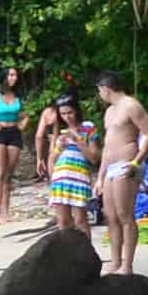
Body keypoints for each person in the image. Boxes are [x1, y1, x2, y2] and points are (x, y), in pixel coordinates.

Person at [93, 72, 148, 274]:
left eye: (99, 90)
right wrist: (100, 176)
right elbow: (107, 147)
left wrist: (136, 162)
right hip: (110, 166)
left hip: (128, 162)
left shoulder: (131, 105)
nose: (99, 94)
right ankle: (115, 261)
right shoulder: (109, 112)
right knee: (110, 215)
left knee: (125, 214)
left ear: (105, 88)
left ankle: (127, 264)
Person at [46, 94, 99, 231]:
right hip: (60, 177)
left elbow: (93, 157)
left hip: (79, 177)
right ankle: (67, 252)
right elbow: (51, 159)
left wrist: (78, 140)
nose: (67, 117)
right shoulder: (59, 131)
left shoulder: (87, 127)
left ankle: (86, 252)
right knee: (63, 222)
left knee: (81, 220)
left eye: (70, 112)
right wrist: (59, 147)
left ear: (76, 110)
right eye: (63, 113)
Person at [0, 65, 30, 221]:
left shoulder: (17, 95)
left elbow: (24, 115)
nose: (14, 78)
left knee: (8, 174)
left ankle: (6, 212)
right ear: (4, 77)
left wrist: (24, 122)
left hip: (14, 133)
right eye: (11, 75)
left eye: (15, 75)